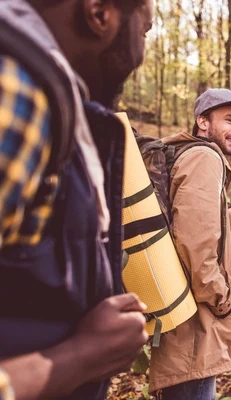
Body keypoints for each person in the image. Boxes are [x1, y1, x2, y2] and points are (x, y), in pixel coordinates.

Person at [0, 0, 154, 399]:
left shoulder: (49, 97)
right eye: (145, 29)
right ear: (99, 13)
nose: (142, 51)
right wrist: (80, 357)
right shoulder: (17, 92)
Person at [149, 88, 231, 400]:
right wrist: (221, 296)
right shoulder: (204, 157)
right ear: (203, 122)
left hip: (180, 313)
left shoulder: (187, 155)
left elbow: (195, 219)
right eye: (229, 120)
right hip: (195, 323)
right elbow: (195, 242)